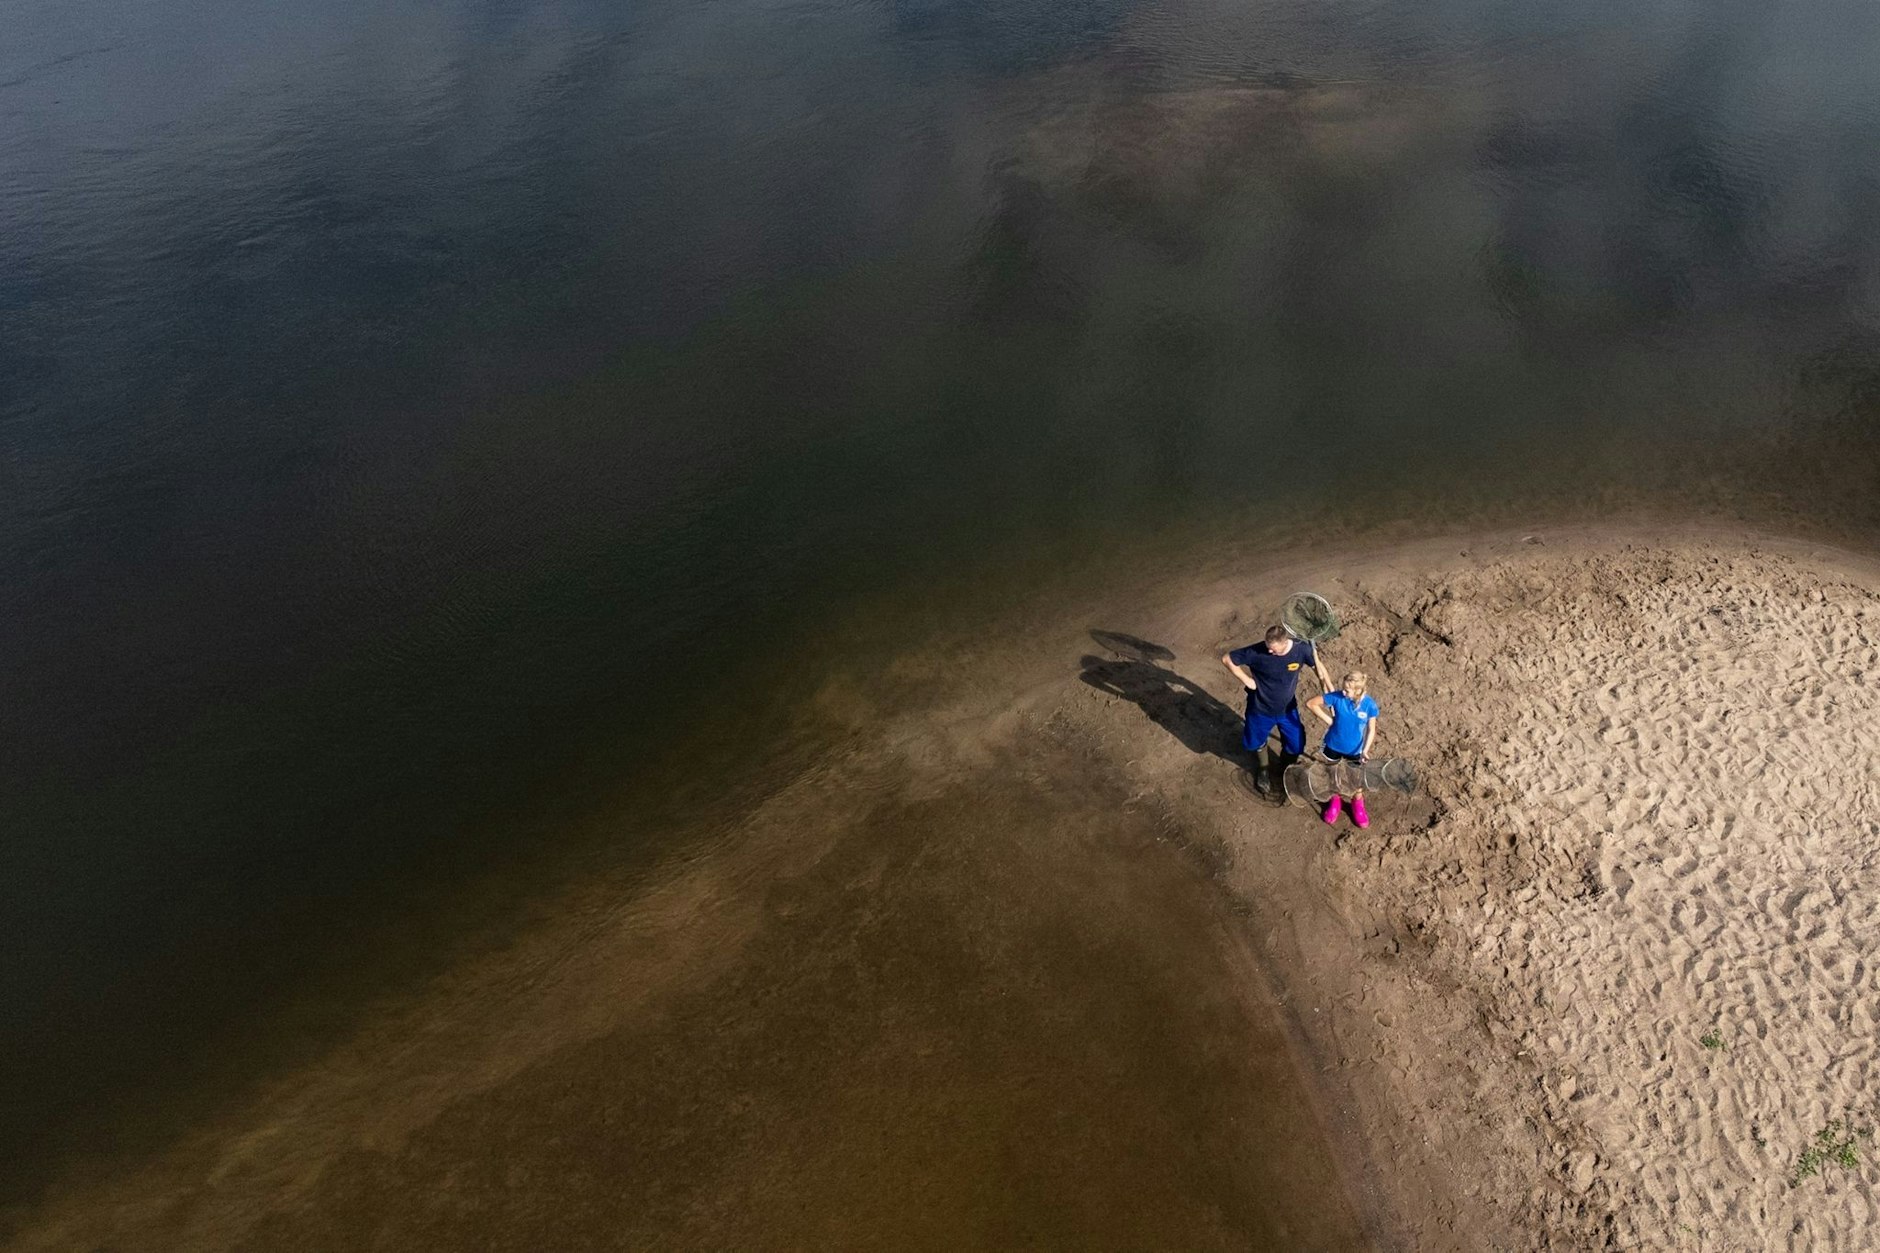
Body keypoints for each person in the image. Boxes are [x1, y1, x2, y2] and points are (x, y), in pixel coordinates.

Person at [1221, 625, 1332, 796]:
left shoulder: (1301, 649)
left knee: (1296, 744)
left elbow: (1318, 667)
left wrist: (1326, 684)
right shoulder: (1257, 652)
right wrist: (1247, 680)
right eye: (1268, 648)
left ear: (1285, 642)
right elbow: (1227, 659)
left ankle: (1285, 769)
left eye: (1274, 650)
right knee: (1255, 741)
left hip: (1287, 709)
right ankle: (1263, 769)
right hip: (1260, 708)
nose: (1270, 652)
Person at [1306, 670, 1380, 828]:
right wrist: (1328, 719)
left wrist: (1365, 750)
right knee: (1333, 774)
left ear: (1359, 690)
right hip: (1333, 745)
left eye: (1347, 690)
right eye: (1343, 688)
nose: (1343, 692)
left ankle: (1357, 804)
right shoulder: (1337, 697)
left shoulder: (1369, 705)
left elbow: (1371, 730)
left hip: (1355, 750)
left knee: (1355, 778)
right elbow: (1311, 704)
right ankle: (1335, 800)